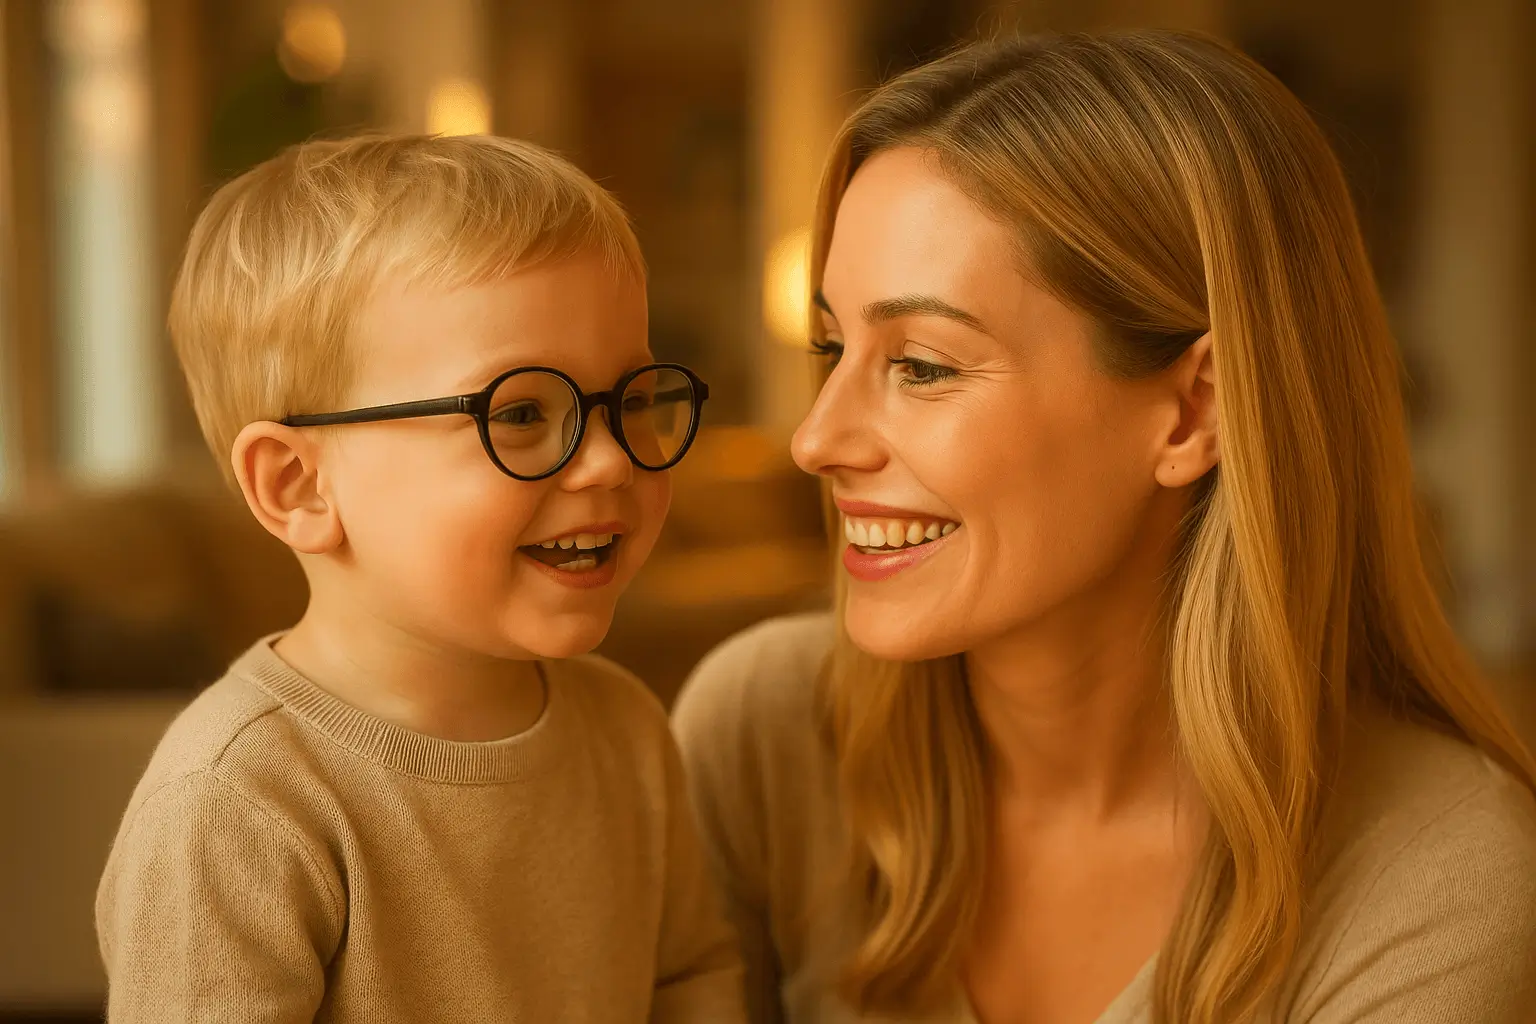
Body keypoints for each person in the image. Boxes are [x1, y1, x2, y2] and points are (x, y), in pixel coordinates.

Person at [673, 31, 1536, 1024]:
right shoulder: (766, 736)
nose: (816, 438)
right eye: (831, 346)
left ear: (1194, 411)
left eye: (924, 365)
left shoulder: (1439, 877)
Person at [96, 133, 743, 1022]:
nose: (604, 462)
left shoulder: (626, 729)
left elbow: (691, 979)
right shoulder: (235, 803)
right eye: (519, 412)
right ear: (299, 486)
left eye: (627, 403)